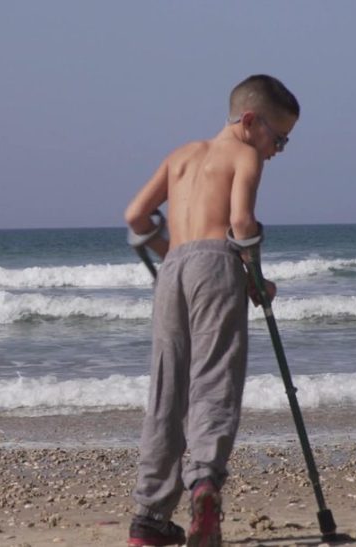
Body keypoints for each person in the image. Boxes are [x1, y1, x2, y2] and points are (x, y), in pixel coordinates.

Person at [124, 74, 299, 547]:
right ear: (249, 121)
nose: (278, 150)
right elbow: (240, 221)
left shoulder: (180, 155)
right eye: (278, 138)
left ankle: (149, 520)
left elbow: (135, 217)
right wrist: (255, 278)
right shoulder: (243, 155)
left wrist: (172, 251)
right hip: (218, 264)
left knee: (168, 387)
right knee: (215, 379)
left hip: (173, 271)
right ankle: (203, 484)